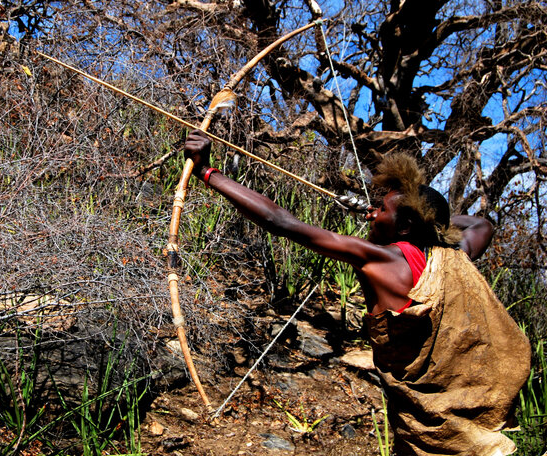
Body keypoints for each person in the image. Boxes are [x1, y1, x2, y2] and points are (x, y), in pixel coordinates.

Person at [184, 129, 531, 456]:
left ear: (408, 224)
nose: (371, 212)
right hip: (463, 423)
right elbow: (481, 224)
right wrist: (426, 217)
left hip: (431, 431)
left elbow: (281, 222)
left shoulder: (385, 261)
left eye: (380, 209)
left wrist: (207, 171)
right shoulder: (458, 256)